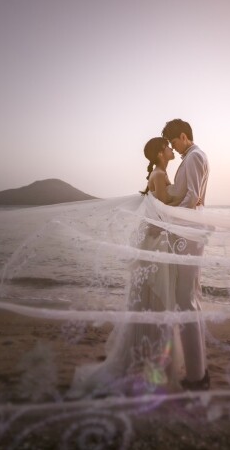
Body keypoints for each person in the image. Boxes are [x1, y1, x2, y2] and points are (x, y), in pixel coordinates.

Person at [67, 137, 184, 397]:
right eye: (167, 146)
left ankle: (148, 356)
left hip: (154, 241)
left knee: (152, 299)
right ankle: (151, 360)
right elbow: (166, 209)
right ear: (159, 152)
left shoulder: (159, 173)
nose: (170, 149)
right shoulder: (160, 174)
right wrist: (191, 198)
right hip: (155, 242)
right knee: (156, 298)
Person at [161, 118, 210, 391]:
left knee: (185, 302)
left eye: (175, 142)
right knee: (189, 300)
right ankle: (198, 371)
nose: (175, 149)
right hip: (190, 232)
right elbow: (193, 198)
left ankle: (196, 377)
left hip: (188, 234)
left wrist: (166, 221)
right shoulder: (194, 156)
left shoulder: (193, 157)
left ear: (184, 135)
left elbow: (191, 198)